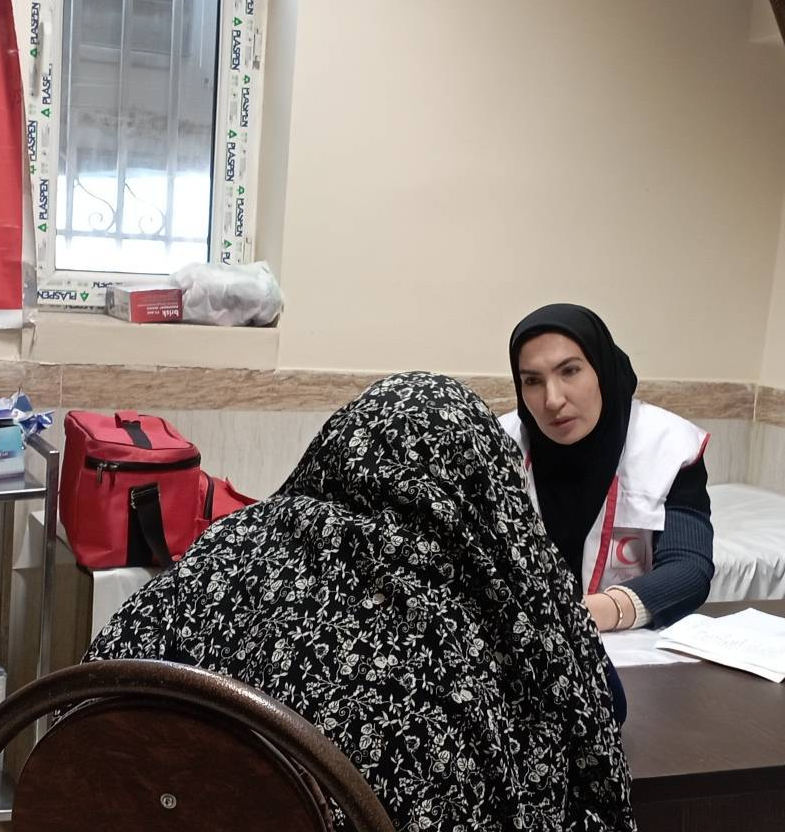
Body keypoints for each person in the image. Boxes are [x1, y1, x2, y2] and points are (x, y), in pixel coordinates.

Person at [83, 372, 636, 831]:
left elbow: (90, 692)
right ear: (483, 486)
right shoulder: (466, 620)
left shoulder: (230, 542)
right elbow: (594, 708)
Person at [506, 303, 714, 631]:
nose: (552, 399)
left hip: (624, 643)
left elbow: (689, 571)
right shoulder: (497, 446)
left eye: (569, 371)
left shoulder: (666, 445)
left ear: (601, 368)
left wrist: (589, 614)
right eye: (532, 380)